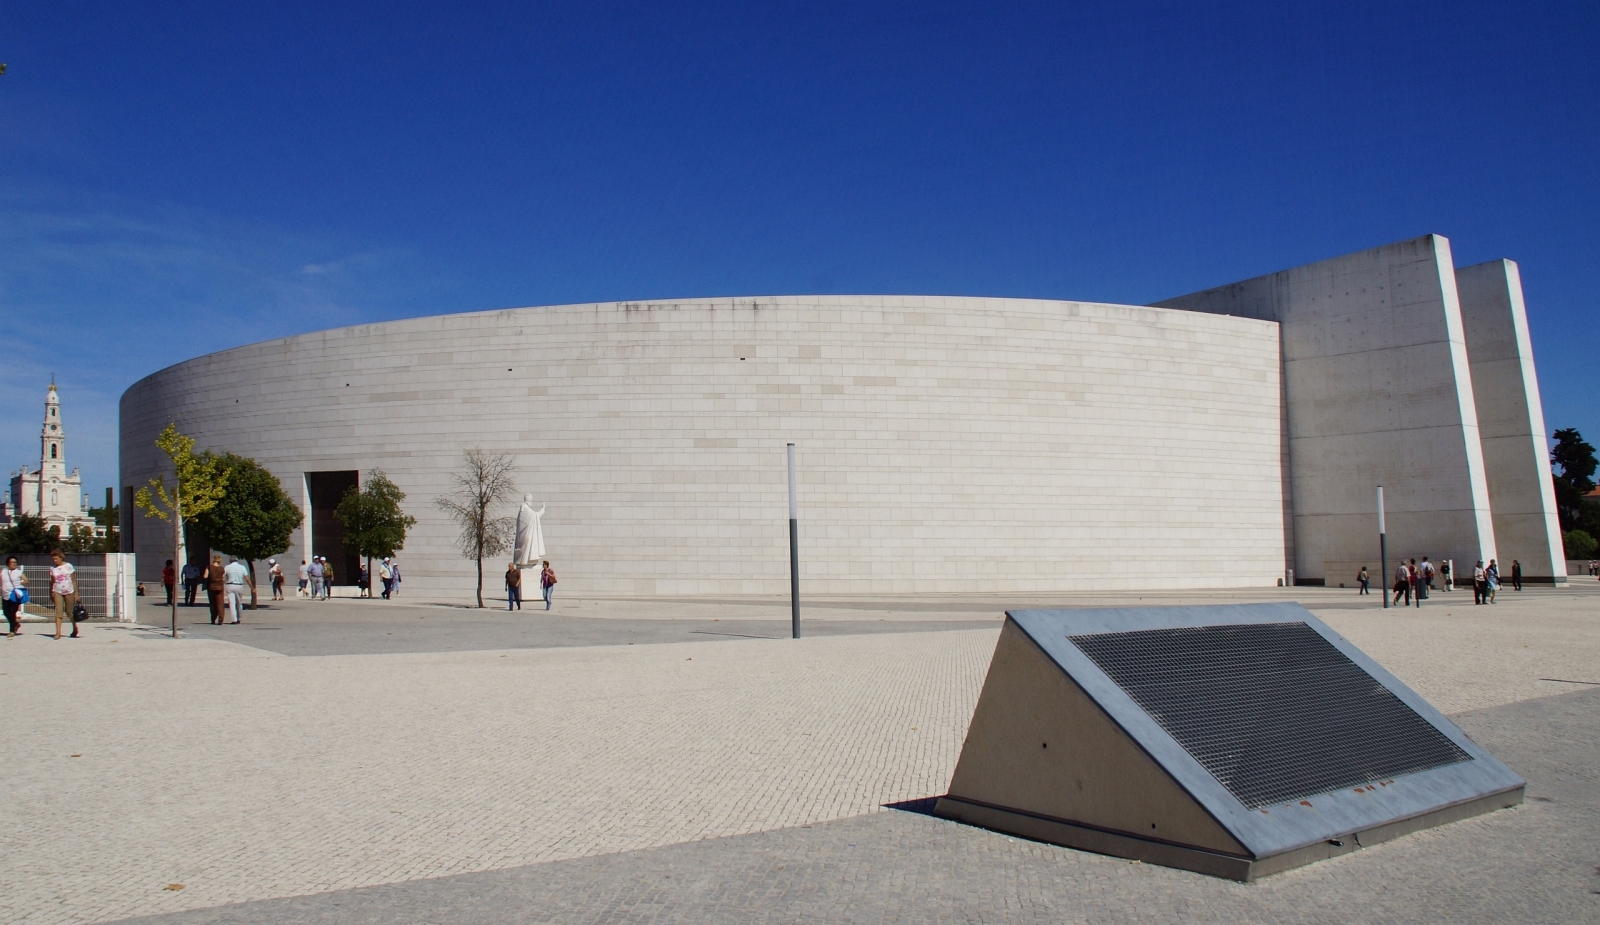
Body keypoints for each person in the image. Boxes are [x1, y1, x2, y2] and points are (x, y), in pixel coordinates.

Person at [49, 550, 80, 639]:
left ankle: (74, 627)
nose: (55, 560)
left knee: (69, 611)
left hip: (69, 590)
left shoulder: (68, 566)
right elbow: (52, 581)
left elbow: (73, 580)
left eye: (56, 558)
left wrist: (76, 593)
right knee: (58, 611)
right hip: (57, 590)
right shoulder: (52, 568)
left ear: (61, 558)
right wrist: (51, 592)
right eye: (53, 559)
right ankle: (58, 632)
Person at [223, 556, 252, 624]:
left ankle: (234, 619)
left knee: (232, 603)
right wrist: (252, 587)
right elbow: (247, 578)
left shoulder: (227, 567)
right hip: (239, 585)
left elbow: (223, 577)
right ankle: (239, 618)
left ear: (230, 561)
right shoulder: (242, 567)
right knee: (239, 603)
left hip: (230, 585)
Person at [2, 556, 25, 637]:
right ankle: (15, 624)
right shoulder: (3, 571)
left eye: (15, 562)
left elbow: (26, 581)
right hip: (5, 595)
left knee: (12, 613)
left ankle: (12, 630)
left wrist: (21, 583)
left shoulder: (18, 572)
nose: (14, 564)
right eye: (12, 562)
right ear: (8, 563)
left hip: (15, 595)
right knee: (5, 612)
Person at [204, 555, 227, 624]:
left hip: (211, 587)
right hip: (219, 587)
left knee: (212, 603)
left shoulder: (209, 567)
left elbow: (205, 576)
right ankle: (221, 618)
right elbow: (223, 579)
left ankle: (213, 618)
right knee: (220, 603)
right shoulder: (222, 569)